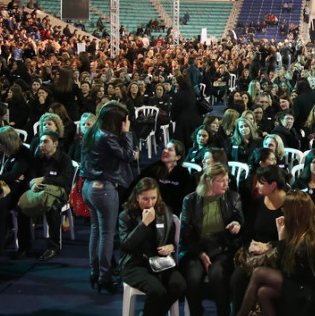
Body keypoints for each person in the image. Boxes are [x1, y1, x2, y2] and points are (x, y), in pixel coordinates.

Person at [233, 191, 315, 316]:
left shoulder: (310, 241)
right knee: (263, 292)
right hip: (314, 285)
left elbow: (288, 269)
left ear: (294, 214)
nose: (284, 215)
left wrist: (282, 239)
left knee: (259, 273)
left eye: (285, 212)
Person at [81, 101, 135, 292]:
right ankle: (104, 276)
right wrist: (127, 133)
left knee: (96, 231)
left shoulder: (91, 132)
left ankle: (94, 272)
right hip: (103, 188)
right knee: (106, 235)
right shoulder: (107, 137)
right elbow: (128, 155)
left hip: (88, 187)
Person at [180, 163, 243, 316]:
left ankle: (224, 312)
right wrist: (201, 253)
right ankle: (196, 312)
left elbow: (239, 220)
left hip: (223, 248)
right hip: (196, 249)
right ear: (208, 181)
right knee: (193, 276)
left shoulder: (233, 197)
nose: (226, 184)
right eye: (221, 181)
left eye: (227, 180)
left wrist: (237, 225)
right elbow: (186, 234)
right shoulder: (190, 200)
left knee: (217, 274)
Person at [118, 177, 186, 316]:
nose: (150, 203)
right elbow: (126, 245)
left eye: (153, 198)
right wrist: (143, 224)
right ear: (137, 197)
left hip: (159, 262)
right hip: (134, 264)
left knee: (179, 285)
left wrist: (170, 248)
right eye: (145, 199)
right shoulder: (126, 215)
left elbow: (172, 242)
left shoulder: (164, 212)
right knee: (157, 291)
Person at [230, 164, 287, 312]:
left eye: (261, 182)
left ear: (273, 185)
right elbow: (248, 233)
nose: (255, 185)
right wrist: (251, 245)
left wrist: (268, 246)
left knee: (260, 280)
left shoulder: (289, 206)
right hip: (256, 254)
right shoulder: (257, 203)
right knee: (237, 278)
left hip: (279, 255)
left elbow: (293, 240)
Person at [0, 126, 34, 259]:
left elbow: (15, 174)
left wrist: (2, 176)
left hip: (17, 190)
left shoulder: (23, 152)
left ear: (8, 142)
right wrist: (5, 176)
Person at [29, 129, 75, 261]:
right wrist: (33, 184)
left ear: (55, 143)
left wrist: (44, 179)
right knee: (21, 205)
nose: (41, 145)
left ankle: (53, 247)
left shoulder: (64, 159)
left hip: (59, 193)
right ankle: (24, 245)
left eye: (45, 142)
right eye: (40, 142)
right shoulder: (38, 158)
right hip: (40, 191)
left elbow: (64, 181)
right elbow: (31, 176)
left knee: (53, 207)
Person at [135, 140, 193, 216]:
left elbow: (186, 197)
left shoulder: (183, 174)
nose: (165, 151)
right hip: (152, 209)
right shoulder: (152, 169)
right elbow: (138, 187)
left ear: (177, 157)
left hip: (173, 213)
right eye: (165, 148)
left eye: (170, 150)